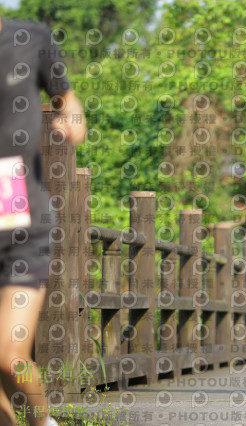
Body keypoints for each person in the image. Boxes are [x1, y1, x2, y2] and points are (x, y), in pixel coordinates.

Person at [0, 16, 86, 426]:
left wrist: (72, 120)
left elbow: (66, 97)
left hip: (22, 225)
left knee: (9, 355)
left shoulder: (29, 38)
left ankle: (43, 422)